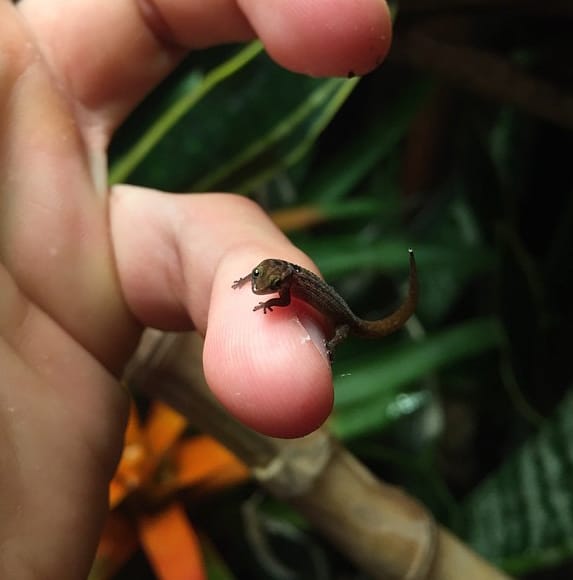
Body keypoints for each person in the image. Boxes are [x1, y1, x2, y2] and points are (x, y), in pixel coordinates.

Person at [0, 1, 392, 577]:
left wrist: (278, 307)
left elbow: (284, 296)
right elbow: (271, 286)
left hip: (338, 317)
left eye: (267, 279)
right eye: (263, 279)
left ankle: (331, 341)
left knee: (325, 333)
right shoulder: (277, 280)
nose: (264, 283)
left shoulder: (294, 289)